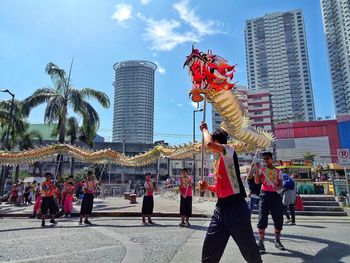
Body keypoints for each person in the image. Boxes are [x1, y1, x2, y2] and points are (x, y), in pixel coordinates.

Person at [198, 122, 262, 263]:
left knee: (250, 251)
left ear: (218, 142)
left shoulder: (229, 150)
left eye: (214, 142)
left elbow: (208, 144)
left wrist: (204, 130)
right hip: (220, 209)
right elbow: (221, 189)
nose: (210, 149)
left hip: (236, 208)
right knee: (209, 251)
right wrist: (207, 187)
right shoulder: (217, 161)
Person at [255, 152, 285, 252]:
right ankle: (261, 242)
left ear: (272, 159)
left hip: (275, 196)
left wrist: (278, 186)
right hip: (264, 195)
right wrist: (256, 170)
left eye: (267, 158)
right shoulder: (261, 170)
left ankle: (277, 241)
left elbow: (281, 185)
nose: (265, 160)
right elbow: (257, 182)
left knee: (278, 218)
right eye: (264, 159)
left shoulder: (278, 171)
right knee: (262, 217)